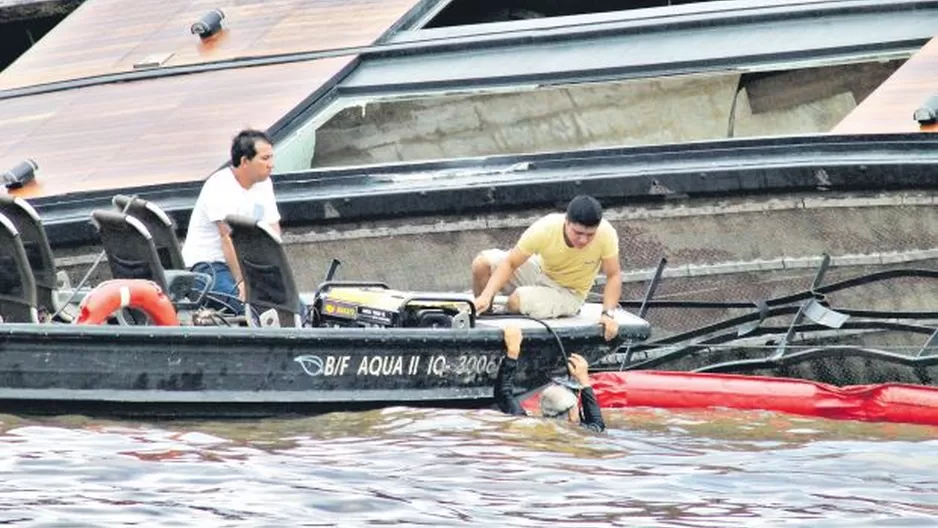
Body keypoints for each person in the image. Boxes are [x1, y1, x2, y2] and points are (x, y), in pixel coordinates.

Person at [472, 195, 622, 341]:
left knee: (516, 301)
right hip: (542, 271)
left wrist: (607, 314)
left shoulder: (606, 234)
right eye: (578, 233)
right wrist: (486, 295)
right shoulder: (546, 227)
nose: (583, 240)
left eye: (590, 235)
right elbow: (511, 262)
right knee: (482, 264)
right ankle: (484, 316)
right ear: (566, 221)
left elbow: (613, 275)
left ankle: (506, 319)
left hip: (569, 292)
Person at [181, 129, 280, 314]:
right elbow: (227, 238)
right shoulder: (219, 186)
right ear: (244, 161)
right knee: (248, 309)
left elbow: (273, 232)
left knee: (293, 307)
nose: (271, 165)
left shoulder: (265, 184)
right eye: (265, 159)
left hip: (249, 265)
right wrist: (241, 281)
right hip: (209, 266)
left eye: (272, 158)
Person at [494, 326, 605, 432]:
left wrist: (512, 352)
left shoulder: (529, 426)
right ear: (572, 414)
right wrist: (584, 380)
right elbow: (597, 424)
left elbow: (503, 393)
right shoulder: (585, 433)